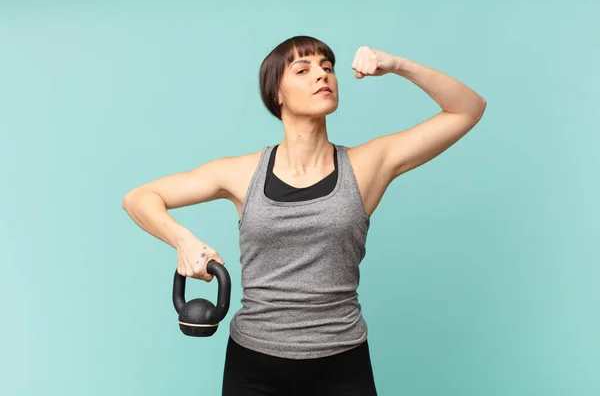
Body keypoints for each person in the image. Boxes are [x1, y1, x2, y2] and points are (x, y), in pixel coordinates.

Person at [122, 35, 486, 395]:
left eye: (327, 67)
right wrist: (183, 240)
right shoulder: (241, 173)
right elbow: (140, 198)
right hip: (253, 362)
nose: (322, 75)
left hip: (342, 362)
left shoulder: (367, 166)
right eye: (303, 69)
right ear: (277, 94)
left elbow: (468, 109)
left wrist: (397, 65)